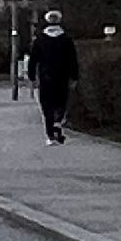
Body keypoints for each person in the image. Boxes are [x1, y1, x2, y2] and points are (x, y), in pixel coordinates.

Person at [28, 12, 81, 144]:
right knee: (61, 101)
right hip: (62, 76)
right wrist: (74, 76)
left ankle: (50, 135)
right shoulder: (66, 39)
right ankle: (58, 122)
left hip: (45, 77)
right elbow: (72, 59)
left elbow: (33, 59)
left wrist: (32, 77)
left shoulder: (40, 39)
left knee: (46, 105)